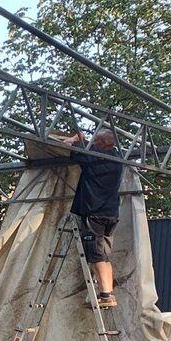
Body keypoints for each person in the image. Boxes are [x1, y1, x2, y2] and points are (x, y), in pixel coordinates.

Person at [60, 128, 125, 308]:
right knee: (104, 256)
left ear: (103, 143)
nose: (92, 143)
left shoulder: (94, 157)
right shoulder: (117, 158)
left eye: (95, 141)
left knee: (96, 256)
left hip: (94, 213)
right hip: (111, 213)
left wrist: (76, 139)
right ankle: (108, 293)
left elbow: (65, 146)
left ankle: (105, 295)